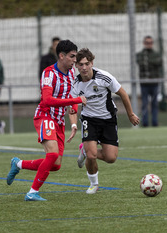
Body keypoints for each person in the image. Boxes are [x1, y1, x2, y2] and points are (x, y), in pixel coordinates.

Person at [6, 40, 87, 201]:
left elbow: (71, 100)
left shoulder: (71, 74)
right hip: (45, 116)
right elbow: (48, 100)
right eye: (72, 57)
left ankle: (18, 164)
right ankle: (32, 192)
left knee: (55, 164)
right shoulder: (49, 74)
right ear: (62, 56)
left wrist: (72, 122)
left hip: (59, 121)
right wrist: (77, 100)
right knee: (52, 155)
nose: (74, 60)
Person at [68, 48, 139, 194]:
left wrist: (130, 114)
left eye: (87, 64)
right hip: (89, 120)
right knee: (92, 154)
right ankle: (94, 183)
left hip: (108, 119)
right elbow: (73, 106)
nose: (84, 68)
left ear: (92, 63)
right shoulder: (75, 84)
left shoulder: (104, 77)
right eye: (80, 65)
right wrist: (74, 124)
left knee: (111, 158)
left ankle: (84, 150)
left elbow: (123, 93)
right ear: (76, 66)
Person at [136, 36, 163, 127]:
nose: (149, 44)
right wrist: (151, 62)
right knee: (144, 104)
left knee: (155, 104)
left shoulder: (156, 54)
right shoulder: (140, 54)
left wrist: (148, 62)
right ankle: (145, 123)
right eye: (147, 43)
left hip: (154, 82)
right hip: (144, 82)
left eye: (150, 42)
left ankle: (155, 122)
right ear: (144, 43)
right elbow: (141, 63)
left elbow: (158, 62)